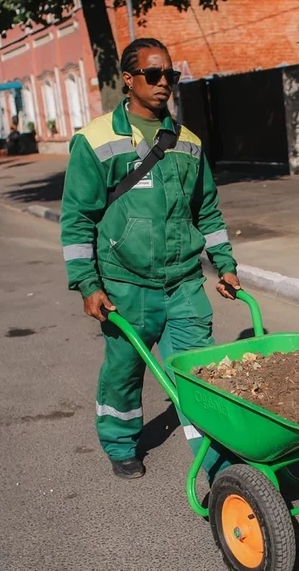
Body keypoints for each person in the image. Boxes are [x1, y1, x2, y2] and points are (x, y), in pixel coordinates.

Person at [60, 38, 241, 480]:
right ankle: (120, 441)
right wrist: (87, 283)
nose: (164, 84)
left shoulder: (189, 142)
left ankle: (216, 460)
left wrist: (225, 263)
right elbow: (78, 218)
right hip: (125, 285)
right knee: (124, 370)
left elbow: (208, 210)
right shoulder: (96, 141)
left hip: (183, 283)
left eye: (170, 76)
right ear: (128, 79)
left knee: (200, 373)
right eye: (153, 75)